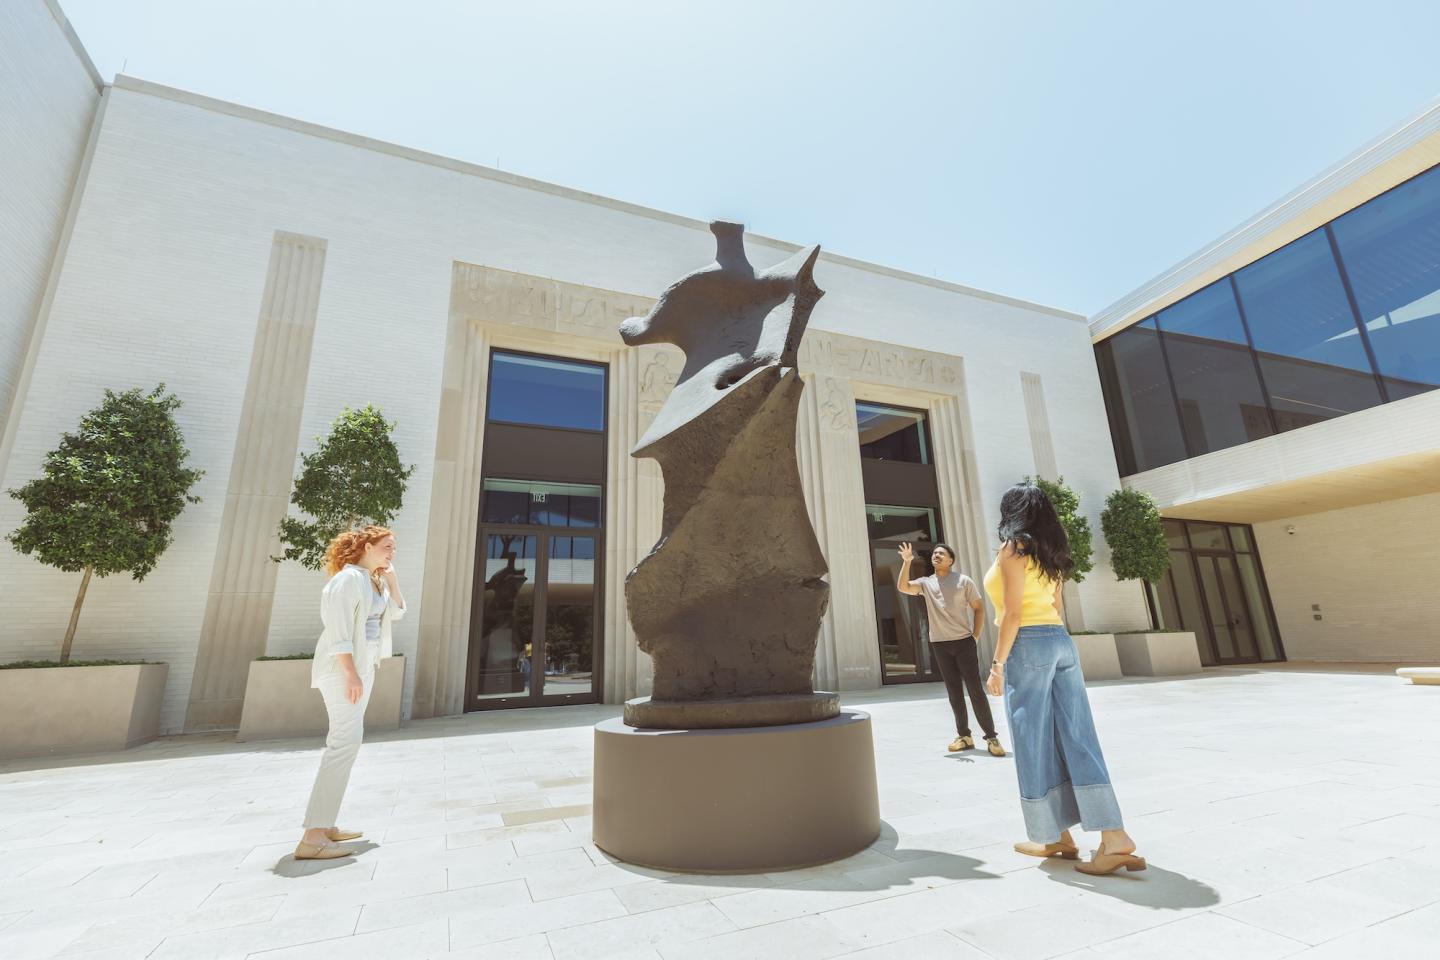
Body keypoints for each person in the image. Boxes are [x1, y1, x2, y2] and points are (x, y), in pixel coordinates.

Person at [982, 483, 1144, 876]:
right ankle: (1099, 835)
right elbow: (1056, 605)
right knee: (1076, 734)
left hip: (1028, 644)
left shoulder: (1014, 549)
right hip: (1059, 640)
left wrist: (997, 665)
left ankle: (1056, 832)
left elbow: (1016, 615)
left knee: (1031, 738)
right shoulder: (1051, 551)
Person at [294, 525, 406, 861]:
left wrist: (392, 581)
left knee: (346, 744)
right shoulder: (347, 580)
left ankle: (323, 824)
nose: (392, 552)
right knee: (343, 744)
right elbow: (338, 632)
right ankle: (313, 838)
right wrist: (351, 673)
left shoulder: (372, 580)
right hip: (344, 672)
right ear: (367, 546)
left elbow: (397, 613)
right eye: (387, 546)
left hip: (361, 670)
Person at [897, 541, 1005, 757]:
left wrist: (974, 636)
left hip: (963, 642)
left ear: (951, 560)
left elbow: (979, 608)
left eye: (941, 553)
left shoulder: (963, 581)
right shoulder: (926, 583)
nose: (936, 555)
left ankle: (991, 737)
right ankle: (964, 736)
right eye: (934, 553)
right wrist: (907, 562)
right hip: (940, 644)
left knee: (975, 691)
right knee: (954, 693)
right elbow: (903, 587)